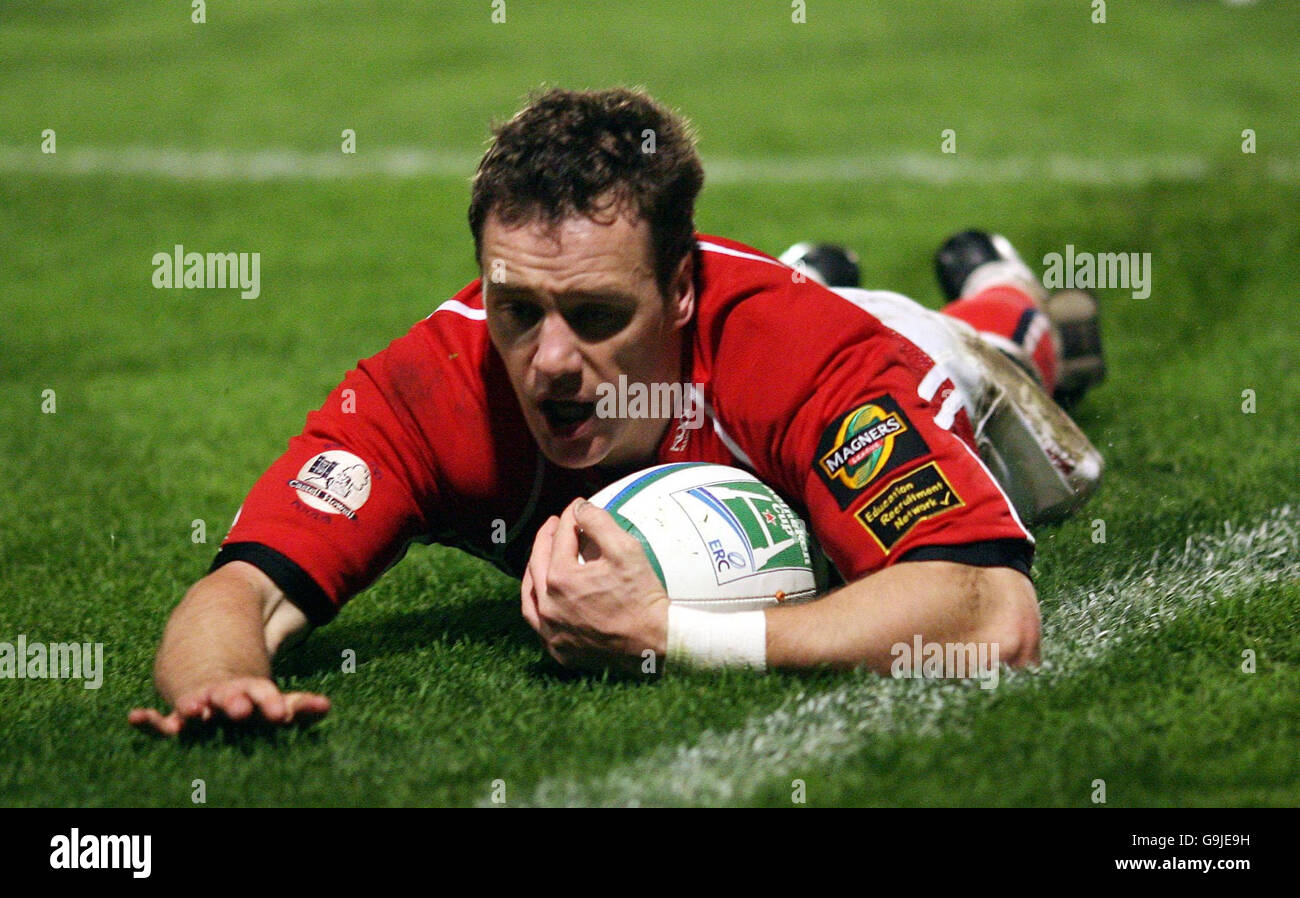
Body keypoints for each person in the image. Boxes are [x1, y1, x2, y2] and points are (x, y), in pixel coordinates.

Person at [130, 87, 1104, 736]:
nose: (550, 362)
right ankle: (823, 267)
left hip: (907, 356)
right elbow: (241, 590)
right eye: (517, 310)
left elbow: (988, 613)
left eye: (596, 315)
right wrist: (224, 682)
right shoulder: (432, 388)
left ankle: (1002, 298)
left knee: (1006, 387)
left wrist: (668, 632)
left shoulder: (804, 359)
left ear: (681, 291)